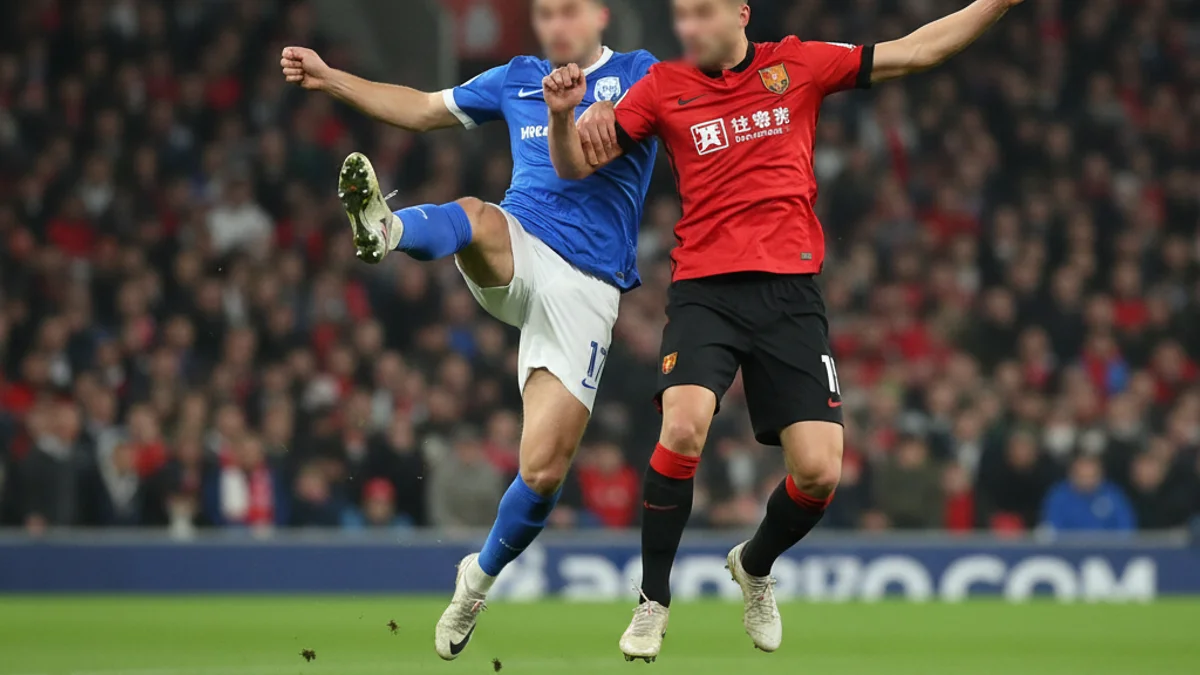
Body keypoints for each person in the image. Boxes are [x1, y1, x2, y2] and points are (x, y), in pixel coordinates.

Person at [542, 0, 1028, 660]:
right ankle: (654, 598)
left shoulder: (796, 65)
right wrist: (562, 115)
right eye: (682, 16)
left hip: (790, 295)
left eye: (702, 13)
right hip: (705, 291)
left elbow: (918, 50)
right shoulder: (660, 88)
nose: (688, 28)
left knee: (821, 472)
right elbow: (573, 167)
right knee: (682, 426)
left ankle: (755, 564)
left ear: (740, 12)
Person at [280, 0, 657, 660]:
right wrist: (331, 77)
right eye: (546, 14)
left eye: (568, 11)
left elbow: (662, 128)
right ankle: (388, 229)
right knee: (478, 213)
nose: (556, 25)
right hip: (518, 248)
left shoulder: (637, 73)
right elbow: (424, 109)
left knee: (541, 473)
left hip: (589, 288)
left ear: (598, 15)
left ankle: (475, 580)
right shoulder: (517, 78)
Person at [1041, 455, 1137, 533]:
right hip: (1068, 551)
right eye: (1082, 476)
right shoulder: (1058, 496)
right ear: (1071, 475)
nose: (1086, 481)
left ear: (1101, 475)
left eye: (1091, 476)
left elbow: (1125, 527)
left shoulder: (1114, 494)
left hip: (1110, 552)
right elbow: (1052, 528)